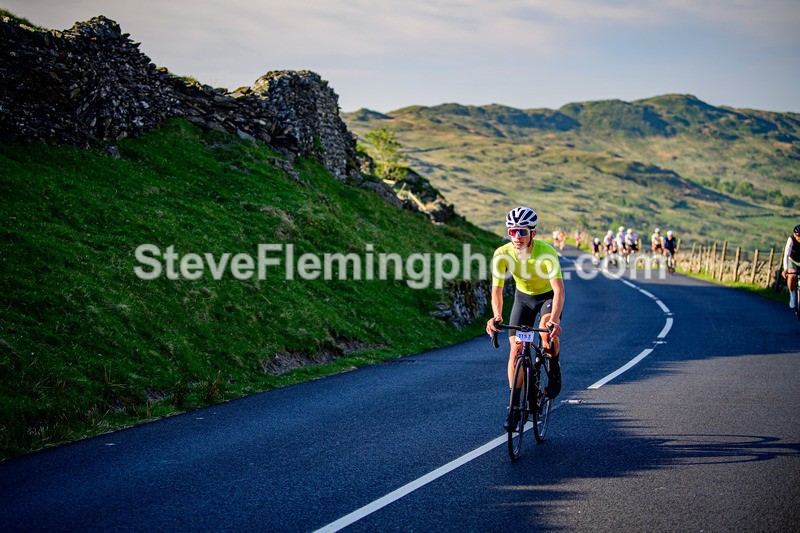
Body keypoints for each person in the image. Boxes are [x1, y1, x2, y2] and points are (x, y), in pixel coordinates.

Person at [486, 206, 565, 430]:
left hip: (547, 298)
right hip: (523, 299)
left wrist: (555, 321)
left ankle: (554, 368)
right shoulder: (502, 254)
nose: (517, 237)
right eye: (512, 231)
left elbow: (558, 291)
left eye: (522, 231)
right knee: (516, 350)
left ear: (533, 234)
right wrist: (497, 315)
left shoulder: (546, 252)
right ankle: (514, 408)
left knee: (545, 330)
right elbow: (497, 291)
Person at [782, 224, 800, 309]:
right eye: (797, 235)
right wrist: (785, 269)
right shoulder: (791, 239)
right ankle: (792, 295)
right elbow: (786, 255)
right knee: (792, 274)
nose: (799, 237)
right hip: (792, 260)